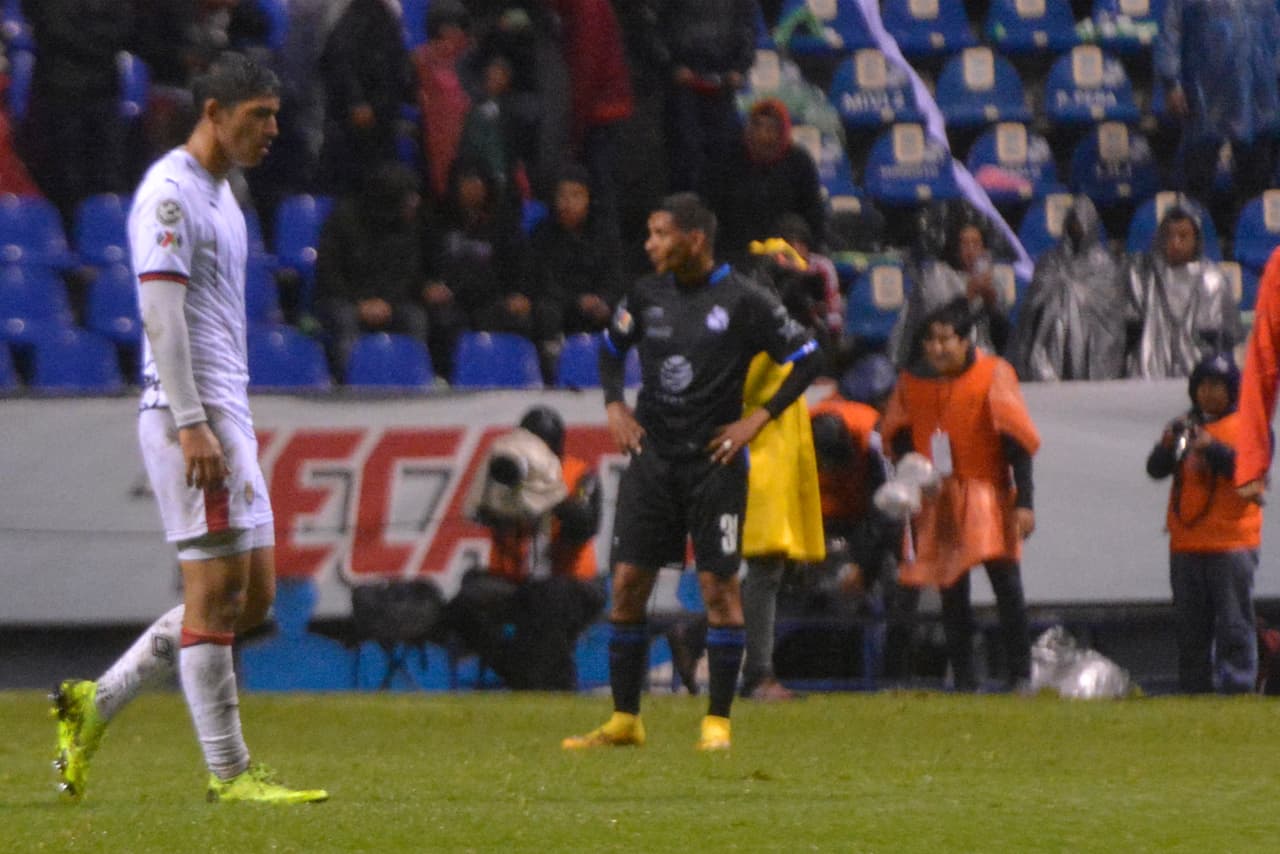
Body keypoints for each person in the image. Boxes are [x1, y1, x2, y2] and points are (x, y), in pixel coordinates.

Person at [50, 53, 327, 805]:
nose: (271, 130)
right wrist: (192, 423)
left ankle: (95, 702)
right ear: (214, 111)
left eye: (274, 115)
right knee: (213, 598)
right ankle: (231, 774)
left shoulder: (227, 195)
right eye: (256, 117)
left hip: (225, 414)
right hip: (190, 418)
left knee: (255, 599)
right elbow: (161, 315)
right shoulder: (170, 195)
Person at [561, 193, 821, 751]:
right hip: (652, 459)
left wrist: (756, 421)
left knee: (718, 589)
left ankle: (717, 721)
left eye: (659, 233)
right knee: (628, 585)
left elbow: (809, 357)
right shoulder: (645, 293)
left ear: (694, 239)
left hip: (713, 462)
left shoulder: (744, 300)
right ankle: (625, 720)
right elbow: (610, 349)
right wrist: (613, 405)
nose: (649, 244)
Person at [880, 297, 1040, 691]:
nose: (937, 348)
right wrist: (909, 466)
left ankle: (1020, 674)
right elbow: (896, 431)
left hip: (987, 494)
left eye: (946, 339)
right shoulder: (912, 382)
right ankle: (966, 677)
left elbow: (1016, 440)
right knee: (951, 590)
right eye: (931, 340)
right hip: (937, 496)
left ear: (966, 340)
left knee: (1006, 585)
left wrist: (1025, 502)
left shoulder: (993, 374)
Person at [447, 405, 606, 690]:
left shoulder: (579, 475)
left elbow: (585, 525)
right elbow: (478, 513)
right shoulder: (501, 475)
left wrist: (550, 497)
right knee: (465, 605)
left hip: (571, 581)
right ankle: (517, 672)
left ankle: (546, 681)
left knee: (549, 600)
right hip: (513, 581)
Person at [736, 245, 827, 702]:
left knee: (767, 568)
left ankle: (700, 645)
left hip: (778, 445)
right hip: (759, 447)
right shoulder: (754, 317)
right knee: (764, 565)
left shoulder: (767, 314)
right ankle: (758, 674)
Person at [1146, 353, 1262, 693]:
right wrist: (1168, 444)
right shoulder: (1186, 425)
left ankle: (1238, 687)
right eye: (1203, 385)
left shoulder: (1247, 426)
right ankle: (1194, 689)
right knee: (1191, 628)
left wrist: (1213, 449)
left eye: (1217, 386)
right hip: (1187, 544)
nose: (1208, 393)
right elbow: (1155, 470)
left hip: (1231, 544)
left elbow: (1250, 479)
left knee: (1234, 624)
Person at [1155, 0, 1280, 233]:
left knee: (1255, 181)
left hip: (1258, 96)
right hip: (1206, 95)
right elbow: (1172, 29)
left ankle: (1247, 242)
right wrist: (1172, 82)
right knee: (1197, 182)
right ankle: (1195, 247)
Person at [313, 160, 430, 378]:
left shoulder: (407, 228)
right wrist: (359, 302)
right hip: (346, 299)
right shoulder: (343, 219)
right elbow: (329, 272)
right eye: (408, 197)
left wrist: (387, 302)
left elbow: (408, 274)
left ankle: (416, 378)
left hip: (388, 302)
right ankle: (350, 381)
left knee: (415, 318)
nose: (415, 202)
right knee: (344, 320)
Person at [1008, 195, 1127, 382]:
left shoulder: (1106, 265)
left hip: (1091, 342)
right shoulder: (1050, 261)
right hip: (1052, 338)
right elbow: (1032, 305)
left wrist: (1073, 294)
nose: (1077, 229)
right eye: (1073, 223)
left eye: (1081, 224)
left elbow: (1111, 312)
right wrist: (1062, 292)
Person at [701, 98, 826, 266]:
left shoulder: (799, 162)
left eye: (771, 128)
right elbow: (711, 210)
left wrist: (803, 244)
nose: (763, 135)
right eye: (757, 126)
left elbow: (813, 215)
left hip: (786, 256)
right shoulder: (727, 160)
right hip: (734, 255)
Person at [1123, 205, 1242, 379]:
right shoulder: (1143, 276)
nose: (1175, 243)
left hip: (1201, 380)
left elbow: (1227, 338)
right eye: (1169, 236)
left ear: (1197, 239)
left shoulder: (1213, 280)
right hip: (1147, 376)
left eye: (1183, 236)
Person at [889, 219, 1011, 371]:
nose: (971, 251)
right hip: (939, 356)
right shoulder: (936, 274)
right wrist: (967, 296)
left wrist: (991, 301)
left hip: (981, 355)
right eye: (965, 244)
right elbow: (933, 320)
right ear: (954, 247)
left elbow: (1002, 329)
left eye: (976, 244)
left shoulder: (991, 278)